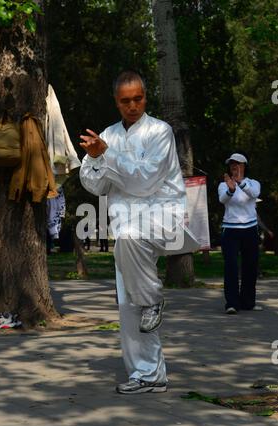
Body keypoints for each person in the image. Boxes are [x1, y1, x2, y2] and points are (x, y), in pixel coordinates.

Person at [79, 71, 197, 394]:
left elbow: (145, 181)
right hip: (126, 226)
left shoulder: (160, 132)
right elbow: (93, 183)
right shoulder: (107, 135)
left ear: (146, 96)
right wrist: (95, 157)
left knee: (131, 245)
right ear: (116, 102)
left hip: (162, 219)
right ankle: (148, 374)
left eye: (138, 98)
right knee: (128, 302)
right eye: (125, 101)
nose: (133, 106)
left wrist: (106, 156)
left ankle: (152, 299)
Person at [218, 153, 261, 314]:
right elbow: (223, 199)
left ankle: (248, 302)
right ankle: (232, 304)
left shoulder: (253, 183)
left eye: (237, 164)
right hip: (230, 230)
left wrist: (240, 183)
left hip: (250, 229)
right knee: (231, 267)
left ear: (244, 166)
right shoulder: (224, 184)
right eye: (231, 164)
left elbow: (254, 194)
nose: (234, 167)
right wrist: (230, 189)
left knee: (250, 267)